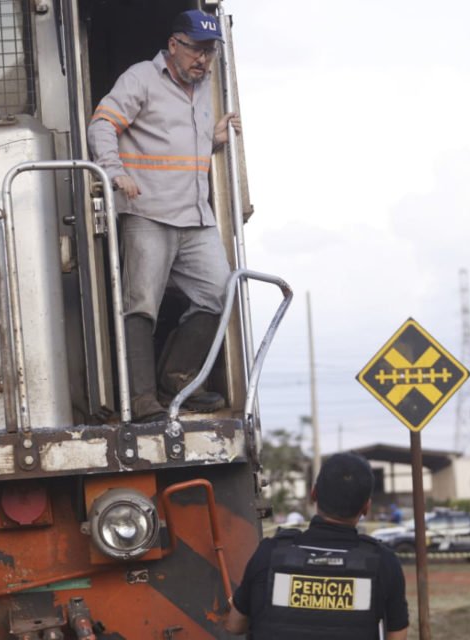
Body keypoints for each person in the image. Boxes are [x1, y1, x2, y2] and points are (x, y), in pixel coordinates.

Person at [88, 9, 241, 422]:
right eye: (196, 50)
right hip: (148, 212)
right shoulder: (141, 78)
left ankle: (176, 380)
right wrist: (114, 173)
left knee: (220, 293)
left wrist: (214, 140)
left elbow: (175, 147)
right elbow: (102, 124)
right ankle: (141, 402)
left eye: (209, 52)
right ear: (173, 45)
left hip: (196, 216)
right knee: (141, 305)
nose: (203, 60)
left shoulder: (205, 85)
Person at [225, 453, 409, 639]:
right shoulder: (384, 563)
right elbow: (397, 635)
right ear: (366, 507)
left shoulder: (269, 553)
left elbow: (234, 625)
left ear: (314, 494)